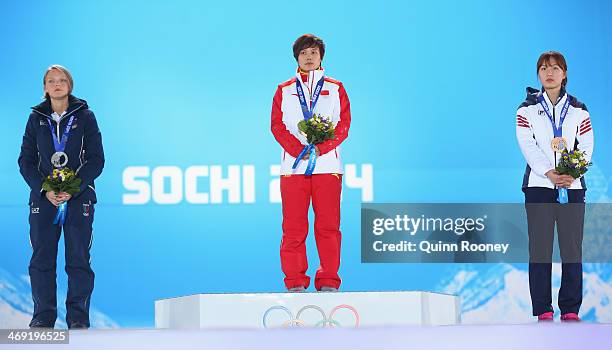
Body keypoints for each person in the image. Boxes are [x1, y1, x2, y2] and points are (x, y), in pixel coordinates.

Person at [18, 65, 105, 329]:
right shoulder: (36, 119)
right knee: (42, 259)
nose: (57, 85)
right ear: (44, 87)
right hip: (44, 199)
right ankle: (43, 319)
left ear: (70, 85)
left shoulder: (85, 116)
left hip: (78, 198)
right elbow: (26, 160)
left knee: (78, 258)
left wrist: (74, 188)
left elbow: (96, 160)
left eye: (62, 80)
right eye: (51, 81)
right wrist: (45, 189)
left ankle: (78, 320)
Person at [516, 51, 594, 322]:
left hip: (572, 187)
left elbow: (585, 146)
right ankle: (543, 309)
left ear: (564, 74)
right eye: (543, 68)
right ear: (538, 74)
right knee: (540, 247)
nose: (549, 73)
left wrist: (571, 173)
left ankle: (571, 308)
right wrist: (549, 172)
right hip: (539, 185)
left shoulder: (579, 109)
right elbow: (528, 144)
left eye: (555, 68)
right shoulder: (526, 109)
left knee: (572, 247)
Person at [271, 34, 351, 292]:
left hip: (327, 167)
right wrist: (299, 150)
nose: (309, 57)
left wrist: (320, 148)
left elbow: (343, 125)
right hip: (293, 168)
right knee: (293, 227)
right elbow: (277, 126)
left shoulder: (336, 87)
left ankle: (328, 279)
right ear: (297, 57)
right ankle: (294, 281)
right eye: (304, 52)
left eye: (313, 52)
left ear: (321, 57)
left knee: (328, 226)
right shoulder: (284, 89)